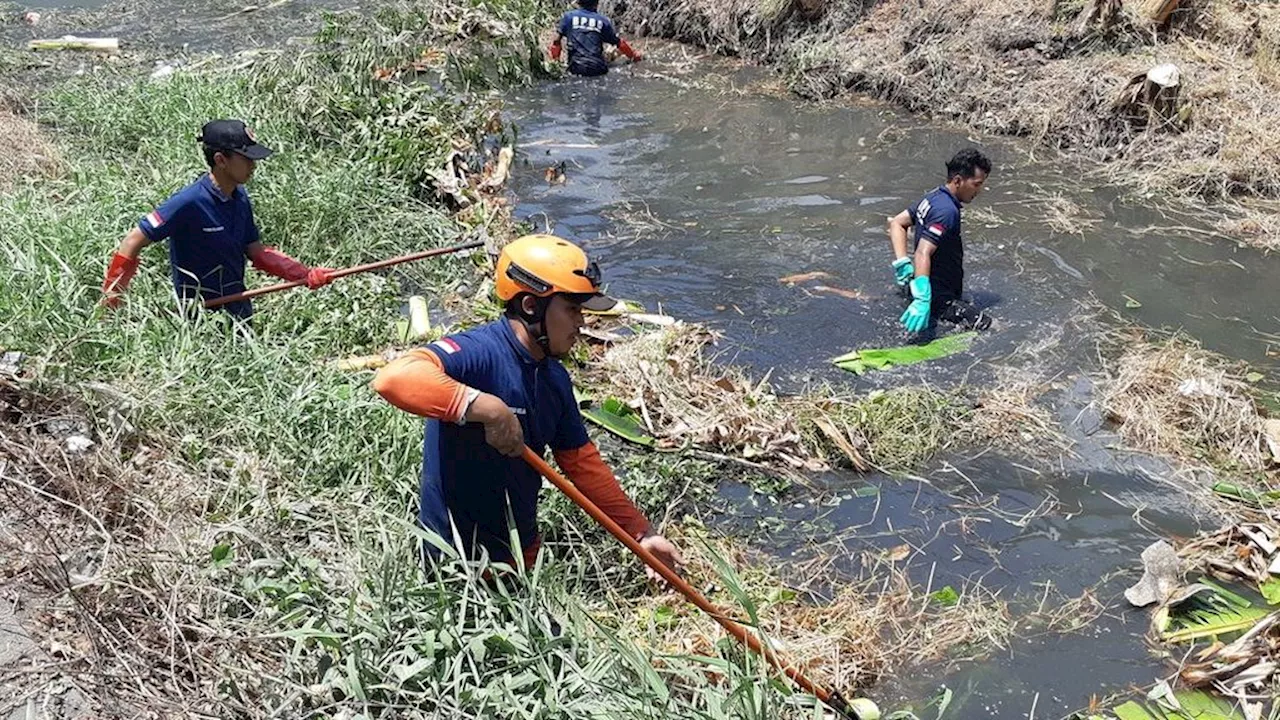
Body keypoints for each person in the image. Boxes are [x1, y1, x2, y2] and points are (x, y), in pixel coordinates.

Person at [372, 234, 682, 575]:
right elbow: (394, 378)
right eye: (573, 309)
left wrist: (641, 533)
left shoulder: (555, 380)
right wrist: (486, 407)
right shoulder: (479, 353)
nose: (582, 323)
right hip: (452, 564)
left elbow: (584, 466)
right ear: (531, 306)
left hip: (520, 558)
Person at [100, 119, 333, 319]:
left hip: (239, 309)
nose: (253, 165)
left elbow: (256, 251)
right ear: (221, 160)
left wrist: (303, 274)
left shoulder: (239, 196)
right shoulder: (188, 202)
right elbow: (132, 241)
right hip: (199, 318)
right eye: (246, 159)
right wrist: (112, 299)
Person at [887, 148, 993, 335]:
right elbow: (922, 252)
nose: (979, 191)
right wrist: (923, 299)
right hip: (937, 295)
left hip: (922, 286)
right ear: (958, 181)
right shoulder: (947, 211)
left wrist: (903, 263)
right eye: (976, 184)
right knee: (989, 327)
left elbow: (897, 223)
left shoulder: (933, 197)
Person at [548, 0, 643, 78]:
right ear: (597, 3)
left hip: (576, 68)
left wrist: (555, 62)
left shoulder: (568, 17)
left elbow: (556, 40)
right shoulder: (603, 21)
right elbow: (619, 43)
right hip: (598, 69)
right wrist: (634, 56)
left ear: (578, 2)